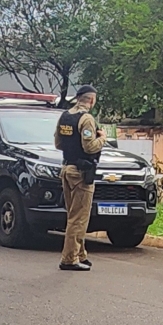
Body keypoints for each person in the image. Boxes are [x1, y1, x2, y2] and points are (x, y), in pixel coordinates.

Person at [55, 84, 106, 271]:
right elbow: (89, 147)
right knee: (79, 218)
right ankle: (69, 259)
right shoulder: (87, 119)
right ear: (91, 100)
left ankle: (80, 254)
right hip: (81, 173)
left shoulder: (65, 116)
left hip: (67, 169)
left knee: (74, 215)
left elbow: (58, 143)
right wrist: (103, 138)